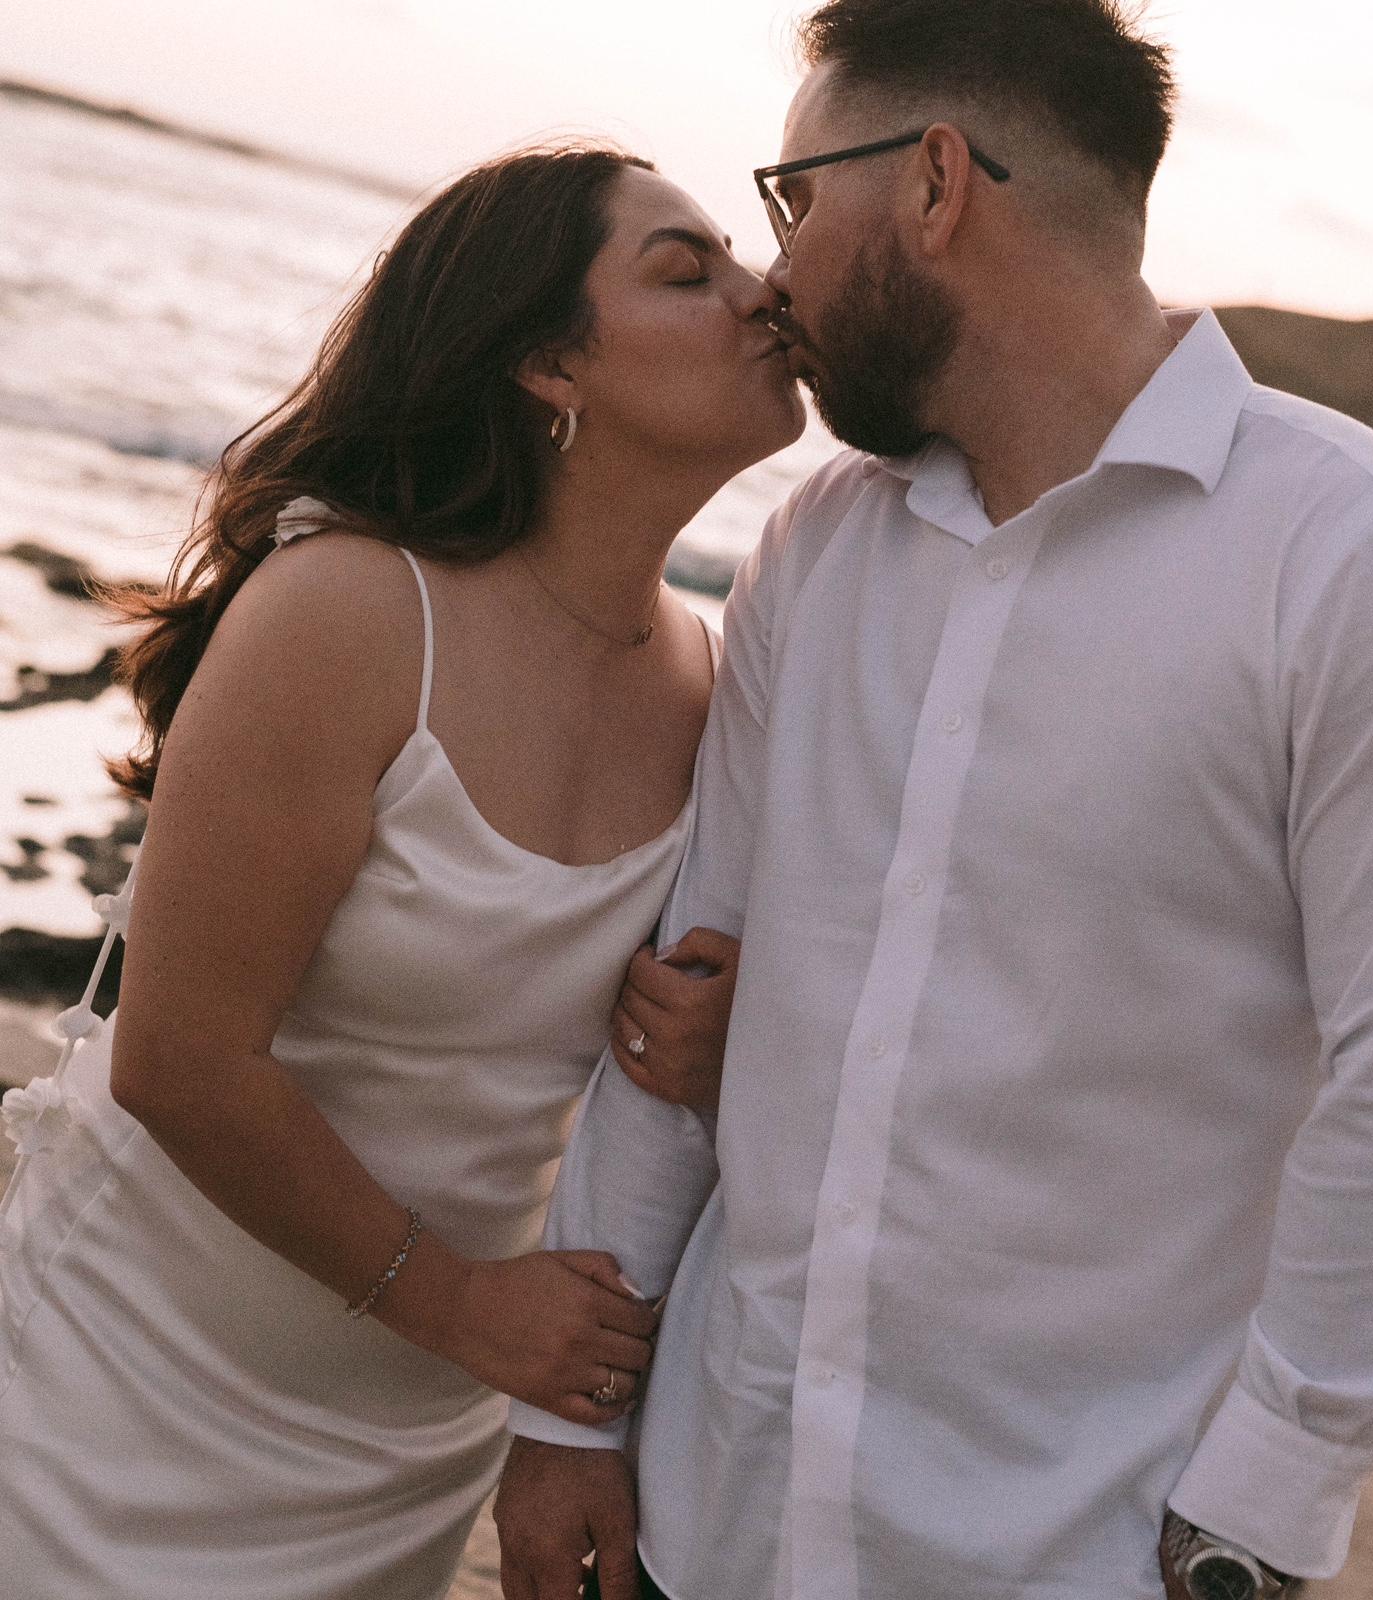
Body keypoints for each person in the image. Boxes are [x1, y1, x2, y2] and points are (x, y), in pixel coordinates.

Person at [492, 3, 1373, 1598]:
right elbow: (685, 989)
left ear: (934, 184)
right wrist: (572, 1415)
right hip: (712, 1511)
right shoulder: (817, 547)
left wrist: (1261, 1512)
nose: (773, 275)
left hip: (1067, 1549)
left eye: (795, 200)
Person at [0, 142, 804, 1599]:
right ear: (550, 365)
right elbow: (181, 1060)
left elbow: (668, 1039)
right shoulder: (352, 612)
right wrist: (468, 1311)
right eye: (688, 272)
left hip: (406, 1445)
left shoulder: (723, 681)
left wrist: (731, 1040)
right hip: (118, 1392)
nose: (763, 293)